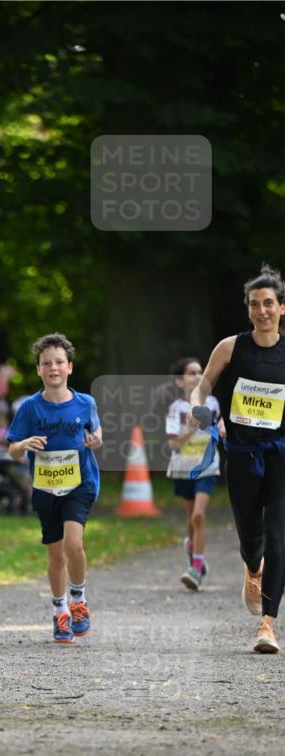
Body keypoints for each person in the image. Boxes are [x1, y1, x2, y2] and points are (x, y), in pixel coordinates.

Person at [189, 264, 285, 654]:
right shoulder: (231, 347)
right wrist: (200, 410)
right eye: (254, 304)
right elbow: (202, 387)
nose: (262, 310)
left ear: (282, 308)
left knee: (279, 537)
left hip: (280, 454)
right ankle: (251, 567)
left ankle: (268, 623)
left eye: (269, 304)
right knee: (251, 536)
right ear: (247, 309)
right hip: (242, 455)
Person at [6, 332, 102, 644]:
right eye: (46, 363)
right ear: (38, 370)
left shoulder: (85, 403)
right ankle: (59, 610)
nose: (53, 368)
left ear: (70, 367)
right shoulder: (30, 408)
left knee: (74, 544)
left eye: (59, 362)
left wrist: (95, 440)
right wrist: (24, 444)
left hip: (79, 484)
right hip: (46, 488)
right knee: (56, 554)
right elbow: (12, 449)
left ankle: (78, 601)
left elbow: (97, 435)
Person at [165, 356, 224, 591]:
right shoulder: (175, 408)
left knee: (199, 516)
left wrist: (222, 427)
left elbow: (219, 426)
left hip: (208, 466)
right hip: (183, 468)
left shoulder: (213, 403)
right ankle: (193, 548)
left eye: (200, 371)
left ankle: (195, 569)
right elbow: (173, 445)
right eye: (191, 373)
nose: (198, 376)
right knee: (191, 519)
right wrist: (190, 429)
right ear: (179, 382)